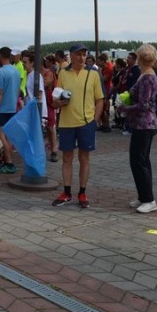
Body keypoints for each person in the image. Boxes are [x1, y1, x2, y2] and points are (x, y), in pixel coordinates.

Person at [52, 44, 104, 209]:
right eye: (78, 54)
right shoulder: (63, 73)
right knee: (67, 158)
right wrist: (58, 103)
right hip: (67, 122)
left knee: (84, 158)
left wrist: (94, 120)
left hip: (86, 122)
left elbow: (100, 100)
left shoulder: (93, 74)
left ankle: (82, 192)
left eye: (84, 54)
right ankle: (67, 192)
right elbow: (56, 98)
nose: (81, 57)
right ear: (71, 56)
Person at [118, 44, 157, 214]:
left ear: (140, 58)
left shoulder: (147, 77)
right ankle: (144, 196)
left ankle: (149, 199)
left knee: (139, 162)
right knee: (141, 161)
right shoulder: (147, 75)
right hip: (143, 124)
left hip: (145, 124)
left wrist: (124, 109)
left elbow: (144, 105)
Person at [0, 47, 21, 174]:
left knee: (2, 137)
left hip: (3, 109)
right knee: (8, 137)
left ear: (1, 56)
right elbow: (18, 89)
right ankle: (7, 160)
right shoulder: (16, 71)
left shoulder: (1, 72)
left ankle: (9, 163)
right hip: (12, 107)